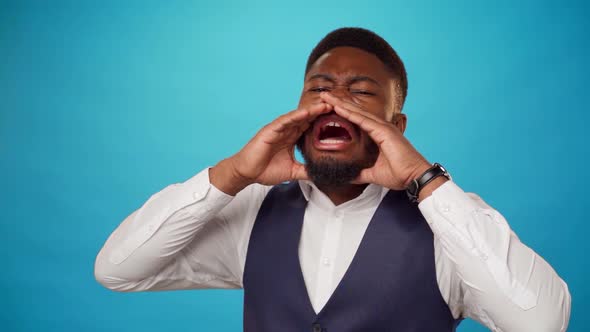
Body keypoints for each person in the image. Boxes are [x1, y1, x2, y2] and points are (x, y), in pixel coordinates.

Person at [95, 27, 571, 331]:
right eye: (319, 89)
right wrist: (232, 175)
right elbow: (117, 270)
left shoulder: (451, 224)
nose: (334, 102)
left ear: (396, 126)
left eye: (360, 93)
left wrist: (424, 180)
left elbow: (542, 323)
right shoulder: (252, 211)